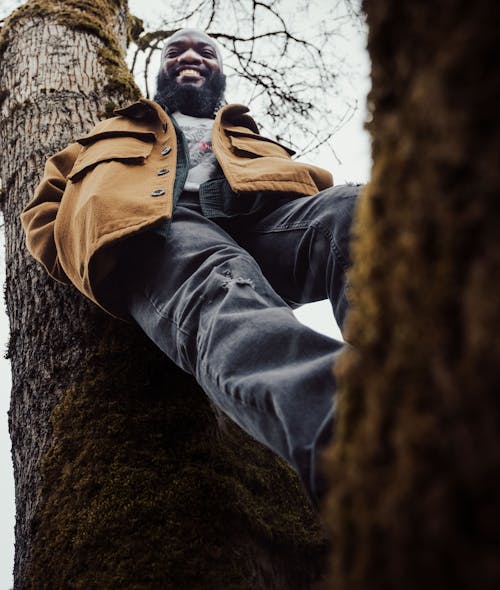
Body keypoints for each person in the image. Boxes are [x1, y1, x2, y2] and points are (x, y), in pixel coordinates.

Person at [21, 28, 360, 505]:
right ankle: (362, 440)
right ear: (159, 71)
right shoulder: (103, 134)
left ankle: (430, 384)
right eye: (174, 50)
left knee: (360, 211)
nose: (191, 56)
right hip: (160, 230)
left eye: (206, 51)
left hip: (261, 222)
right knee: (223, 283)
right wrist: (98, 258)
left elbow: (316, 188)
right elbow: (43, 215)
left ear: (219, 72)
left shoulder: (245, 133)